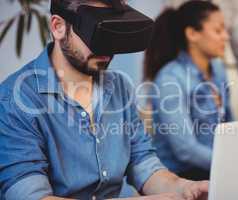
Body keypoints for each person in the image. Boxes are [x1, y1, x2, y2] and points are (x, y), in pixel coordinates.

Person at [0, 0, 209, 199]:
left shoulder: (119, 87)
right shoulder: (16, 99)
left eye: (113, 33)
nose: (107, 49)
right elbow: (29, 196)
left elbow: (143, 162)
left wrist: (185, 187)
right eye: (98, 33)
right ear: (58, 27)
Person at [144, 0, 233, 181]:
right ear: (192, 34)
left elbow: (230, 124)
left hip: (215, 168)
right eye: (218, 30)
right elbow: (185, 150)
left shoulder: (218, 68)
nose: (226, 37)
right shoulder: (170, 78)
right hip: (181, 177)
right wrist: (231, 163)